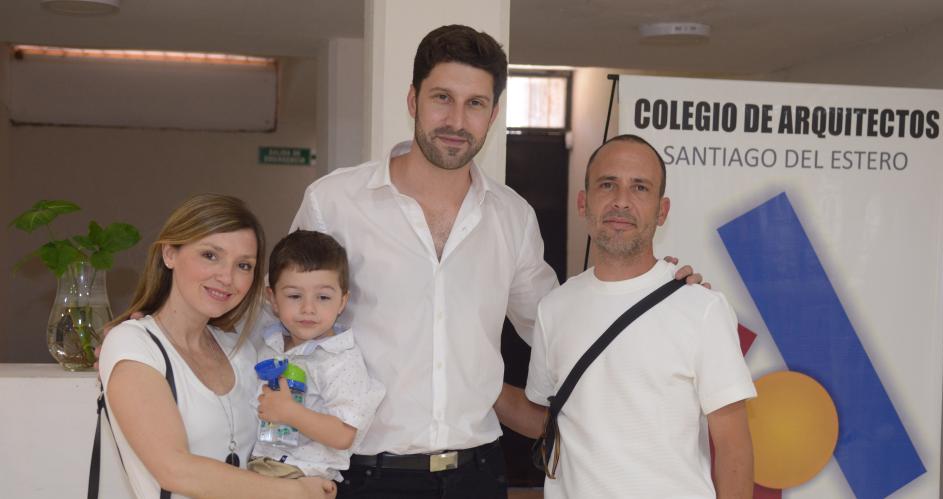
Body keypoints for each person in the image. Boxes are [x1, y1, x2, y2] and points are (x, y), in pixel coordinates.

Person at [281, 25, 704, 498]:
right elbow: (279, 323)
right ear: (413, 99)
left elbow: (559, 324)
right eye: (442, 98)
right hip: (363, 474)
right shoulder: (335, 202)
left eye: (476, 104)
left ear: (494, 114)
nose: (456, 121)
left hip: (477, 474)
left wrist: (653, 293)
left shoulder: (512, 217)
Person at [494, 135, 756, 498]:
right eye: (607, 184)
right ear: (583, 202)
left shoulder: (702, 308)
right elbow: (551, 421)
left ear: (662, 211)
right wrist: (471, 379)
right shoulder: (554, 307)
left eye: (640, 188)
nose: (621, 200)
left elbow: (733, 448)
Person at [98, 193, 336, 499]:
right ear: (169, 254)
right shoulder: (134, 343)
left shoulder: (241, 350)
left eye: (244, 265)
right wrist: (296, 492)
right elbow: (174, 469)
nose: (227, 277)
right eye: (210, 255)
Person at [249, 230, 385, 482]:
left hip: (301, 473)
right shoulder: (268, 344)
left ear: (342, 302)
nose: (308, 308)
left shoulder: (341, 360)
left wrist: (290, 412)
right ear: (273, 299)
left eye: (323, 297)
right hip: (260, 463)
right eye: (294, 296)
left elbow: (343, 435)